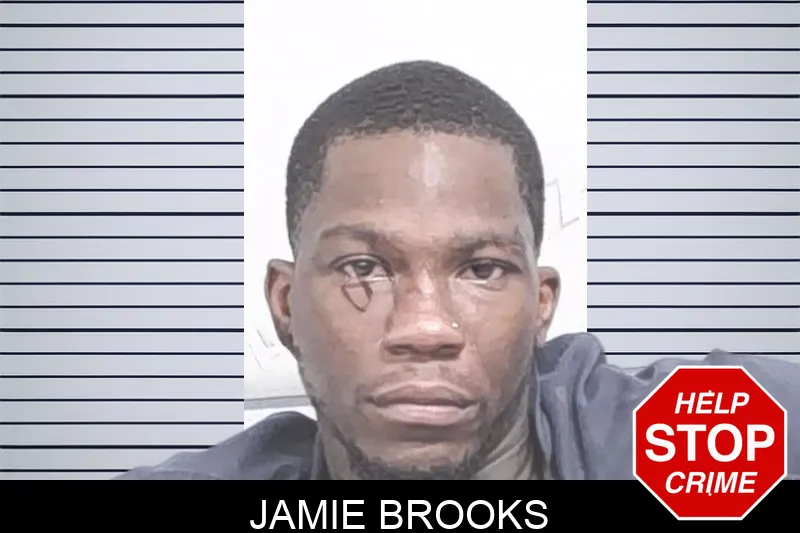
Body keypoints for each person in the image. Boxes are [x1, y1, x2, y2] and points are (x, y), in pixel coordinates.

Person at [117, 60, 799, 480]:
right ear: (286, 304)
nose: (426, 328)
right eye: (364, 266)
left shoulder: (687, 444)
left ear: (541, 304)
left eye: (482, 269)